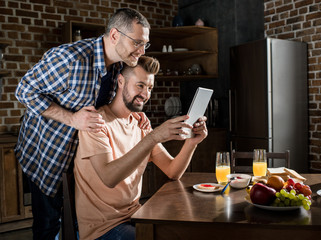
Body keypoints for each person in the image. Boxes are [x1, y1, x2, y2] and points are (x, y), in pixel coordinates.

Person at [14, 8, 151, 240]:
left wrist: (132, 113)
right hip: (46, 154)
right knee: (48, 226)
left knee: (76, 227)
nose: (142, 50)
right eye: (137, 42)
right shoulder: (70, 59)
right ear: (115, 35)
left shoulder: (119, 65)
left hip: (80, 158)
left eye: (145, 44)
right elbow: (24, 91)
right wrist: (72, 118)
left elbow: (108, 107)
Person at [74, 56, 208, 240]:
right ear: (121, 81)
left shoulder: (140, 122)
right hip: (103, 228)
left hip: (136, 216)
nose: (146, 95)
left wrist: (192, 143)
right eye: (140, 86)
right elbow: (109, 178)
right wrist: (153, 137)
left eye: (150, 88)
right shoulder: (96, 123)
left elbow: (172, 171)